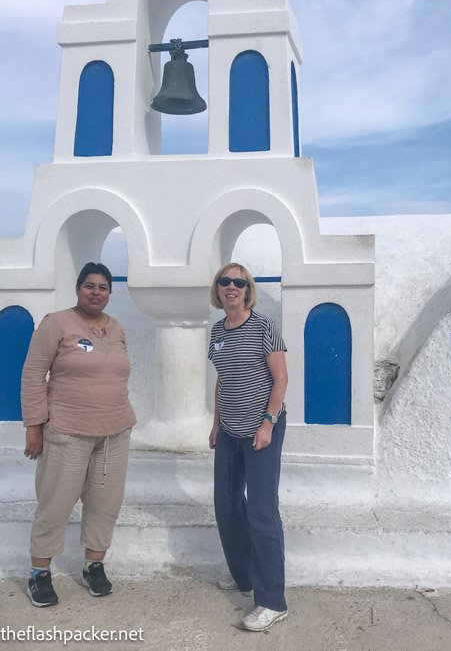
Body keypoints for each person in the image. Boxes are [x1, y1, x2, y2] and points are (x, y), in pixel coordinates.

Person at [21, 262, 136, 607]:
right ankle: (39, 573)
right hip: (67, 432)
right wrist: (34, 428)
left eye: (103, 287)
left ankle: (93, 565)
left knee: (105, 506)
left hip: (114, 432)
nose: (96, 292)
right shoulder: (56, 323)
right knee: (55, 505)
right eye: (89, 285)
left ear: (110, 293)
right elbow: (32, 376)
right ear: (77, 288)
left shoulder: (116, 328)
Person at [208, 262, 289, 632]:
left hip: (261, 430)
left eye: (238, 282)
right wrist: (215, 424)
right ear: (218, 289)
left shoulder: (263, 326)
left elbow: (281, 377)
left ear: (247, 289)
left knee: (261, 510)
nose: (231, 287)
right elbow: (223, 380)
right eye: (225, 281)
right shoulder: (216, 332)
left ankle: (272, 600)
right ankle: (245, 577)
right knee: (227, 505)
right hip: (229, 431)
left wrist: (268, 424)